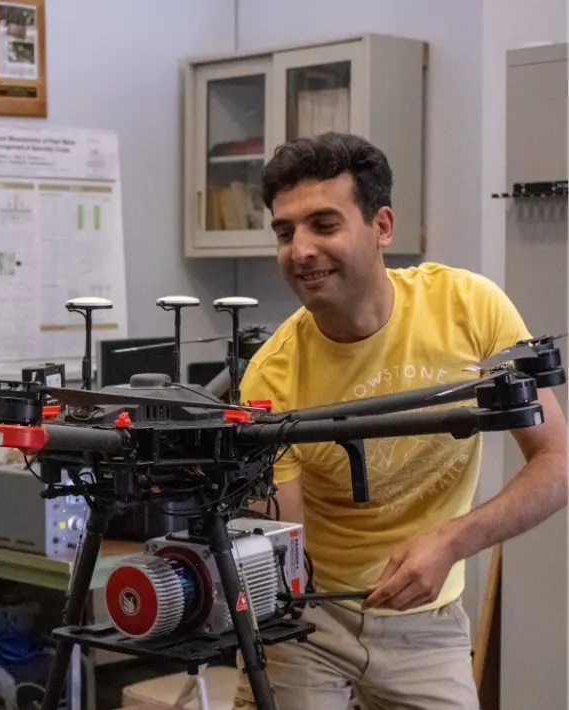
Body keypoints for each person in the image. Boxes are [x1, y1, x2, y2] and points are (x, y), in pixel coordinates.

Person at [232, 132, 567, 709]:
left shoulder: (470, 309)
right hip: (310, 622)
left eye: (324, 224)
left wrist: (451, 541)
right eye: (285, 233)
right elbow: (284, 541)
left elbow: (557, 462)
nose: (301, 249)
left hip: (426, 623)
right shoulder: (271, 375)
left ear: (381, 227)